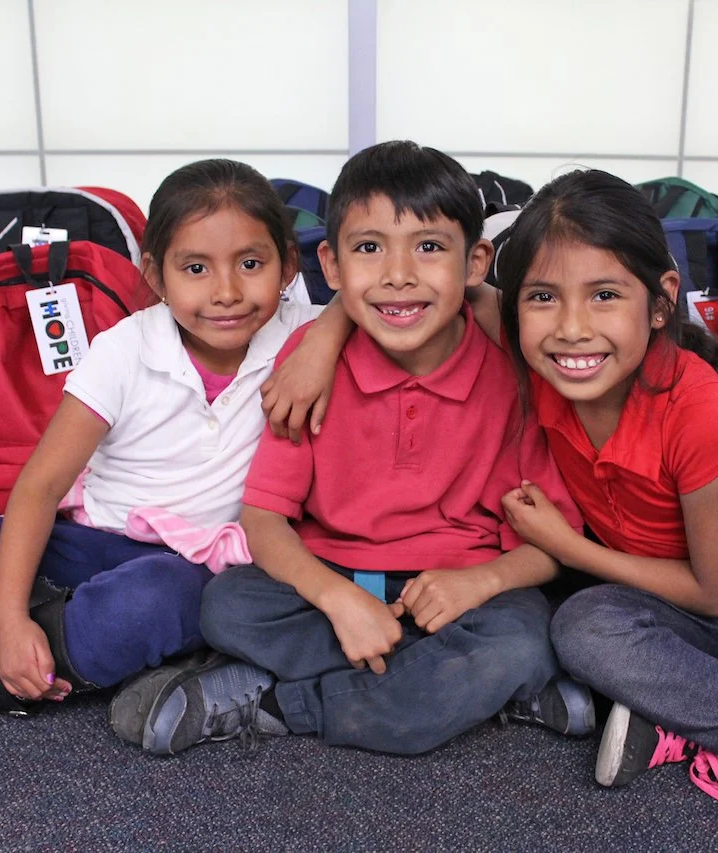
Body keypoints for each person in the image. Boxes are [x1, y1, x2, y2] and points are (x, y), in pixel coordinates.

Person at [268, 169, 718, 848]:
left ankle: (701, 719)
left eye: (605, 296)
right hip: (647, 609)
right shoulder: (541, 362)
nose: (571, 328)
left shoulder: (696, 409)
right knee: (584, 626)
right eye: (543, 298)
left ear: (659, 303)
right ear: (516, 303)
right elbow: (428, 295)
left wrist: (566, 544)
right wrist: (323, 335)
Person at [0, 159, 332, 730]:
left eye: (251, 263)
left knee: (163, 598)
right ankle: (58, 643)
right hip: (98, 544)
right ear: (157, 278)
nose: (227, 291)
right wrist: (11, 617)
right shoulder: (124, 349)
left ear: (289, 265)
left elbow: (366, 313)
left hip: (203, 572)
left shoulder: (302, 335)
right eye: (195, 268)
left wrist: (325, 334)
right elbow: (40, 488)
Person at [133, 141, 594, 758]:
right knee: (228, 606)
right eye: (369, 248)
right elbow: (265, 519)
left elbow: (552, 538)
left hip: (461, 590)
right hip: (334, 579)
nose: (398, 275)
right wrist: (338, 599)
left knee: (524, 636)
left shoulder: (515, 371)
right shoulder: (309, 364)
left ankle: (278, 705)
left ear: (476, 261)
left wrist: (479, 582)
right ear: (331, 263)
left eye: (429, 248)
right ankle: (487, 690)